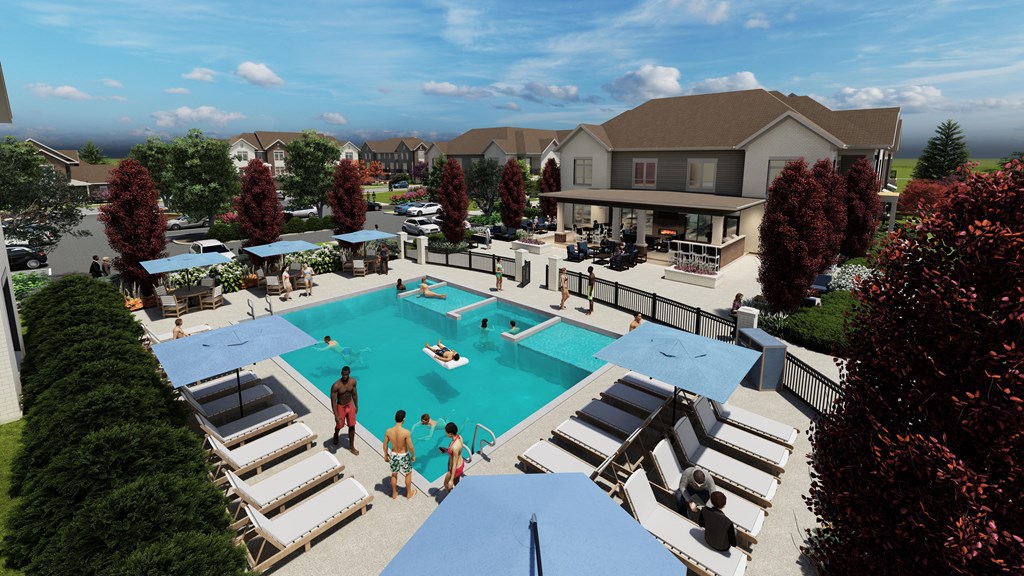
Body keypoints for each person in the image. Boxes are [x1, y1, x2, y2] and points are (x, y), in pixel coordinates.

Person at [384, 410, 416, 499]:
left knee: (394, 474)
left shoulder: (388, 431)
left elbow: (385, 445)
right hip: (404, 455)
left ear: (395, 418)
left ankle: (394, 493)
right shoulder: (406, 432)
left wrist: (385, 455)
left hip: (393, 455)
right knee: (408, 474)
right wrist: (413, 455)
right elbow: (410, 447)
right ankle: (409, 493)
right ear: (404, 419)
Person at [330, 366, 359, 455]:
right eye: (343, 374)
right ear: (341, 374)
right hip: (340, 406)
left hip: (350, 404)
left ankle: (351, 447)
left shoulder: (353, 382)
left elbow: (354, 394)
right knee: (339, 425)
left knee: (352, 425)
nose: (345, 376)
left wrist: (356, 405)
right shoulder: (336, 386)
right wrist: (336, 415)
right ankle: (336, 434)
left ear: (349, 373)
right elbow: (333, 401)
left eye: (346, 374)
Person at [441, 422, 464, 492]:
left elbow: (454, 464)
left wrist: (451, 480)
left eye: (446, 432)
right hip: (461, 464)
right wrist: (446, 450)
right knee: (456, 483)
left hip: (455, 469)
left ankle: (452, 497)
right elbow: (458, 452)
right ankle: (459, 493)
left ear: (450, 433)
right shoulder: (459, 437)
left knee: (446, 484)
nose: (445, 433)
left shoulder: (455, 447)